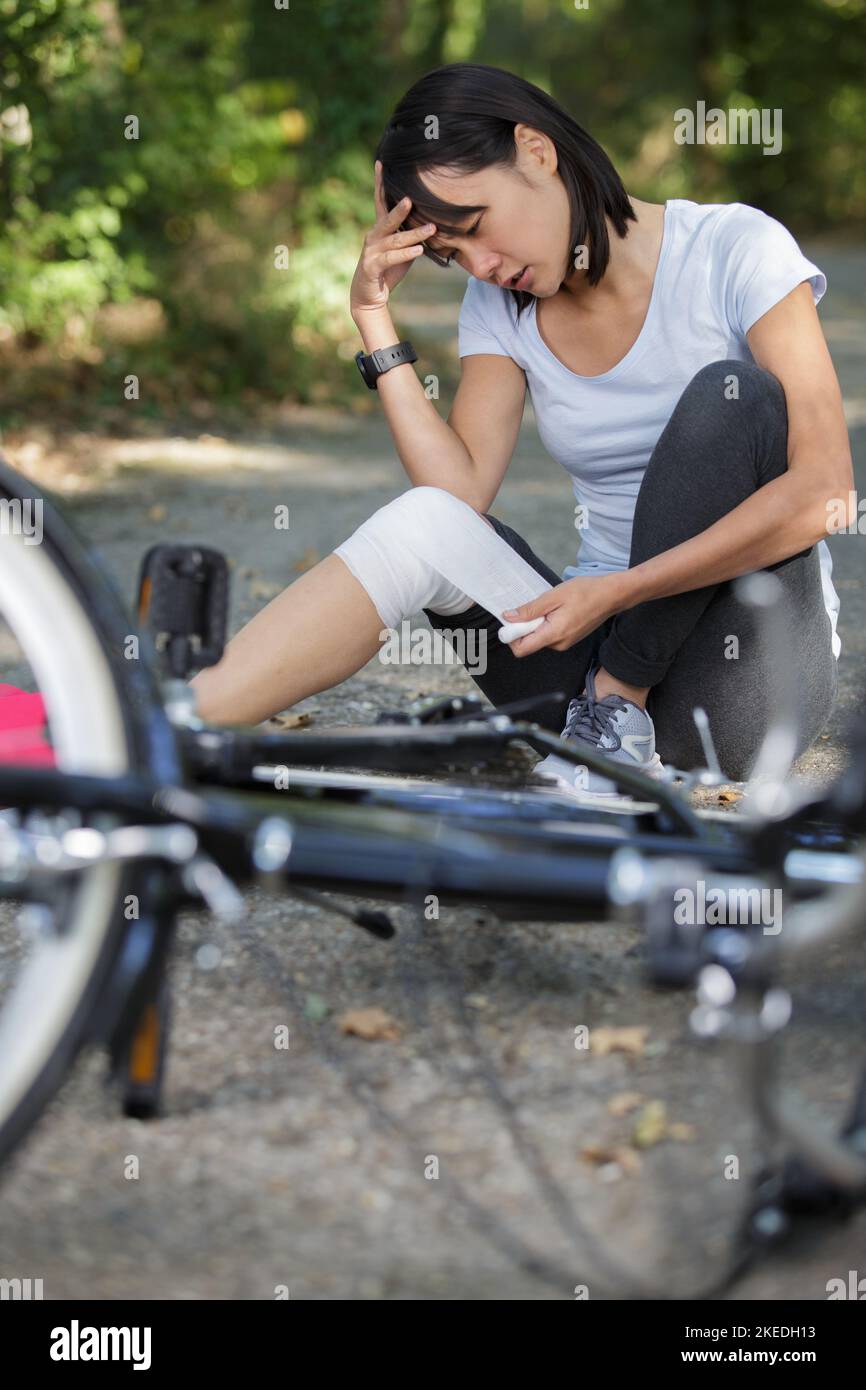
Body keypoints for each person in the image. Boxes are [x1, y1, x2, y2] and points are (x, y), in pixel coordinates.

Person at [190, 62, 853, 794]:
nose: (481, 264)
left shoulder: (733, 249)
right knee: (423, 522)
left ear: (537, 151)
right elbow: (457, 492)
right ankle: (165, 725)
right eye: (450, 254)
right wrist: (373, 318)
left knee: (733, 399)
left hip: (737, 684)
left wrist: (621, 594)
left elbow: (826, 492)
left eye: (474, 227)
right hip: (580, 665)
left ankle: (618, 701)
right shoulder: (500, 307)